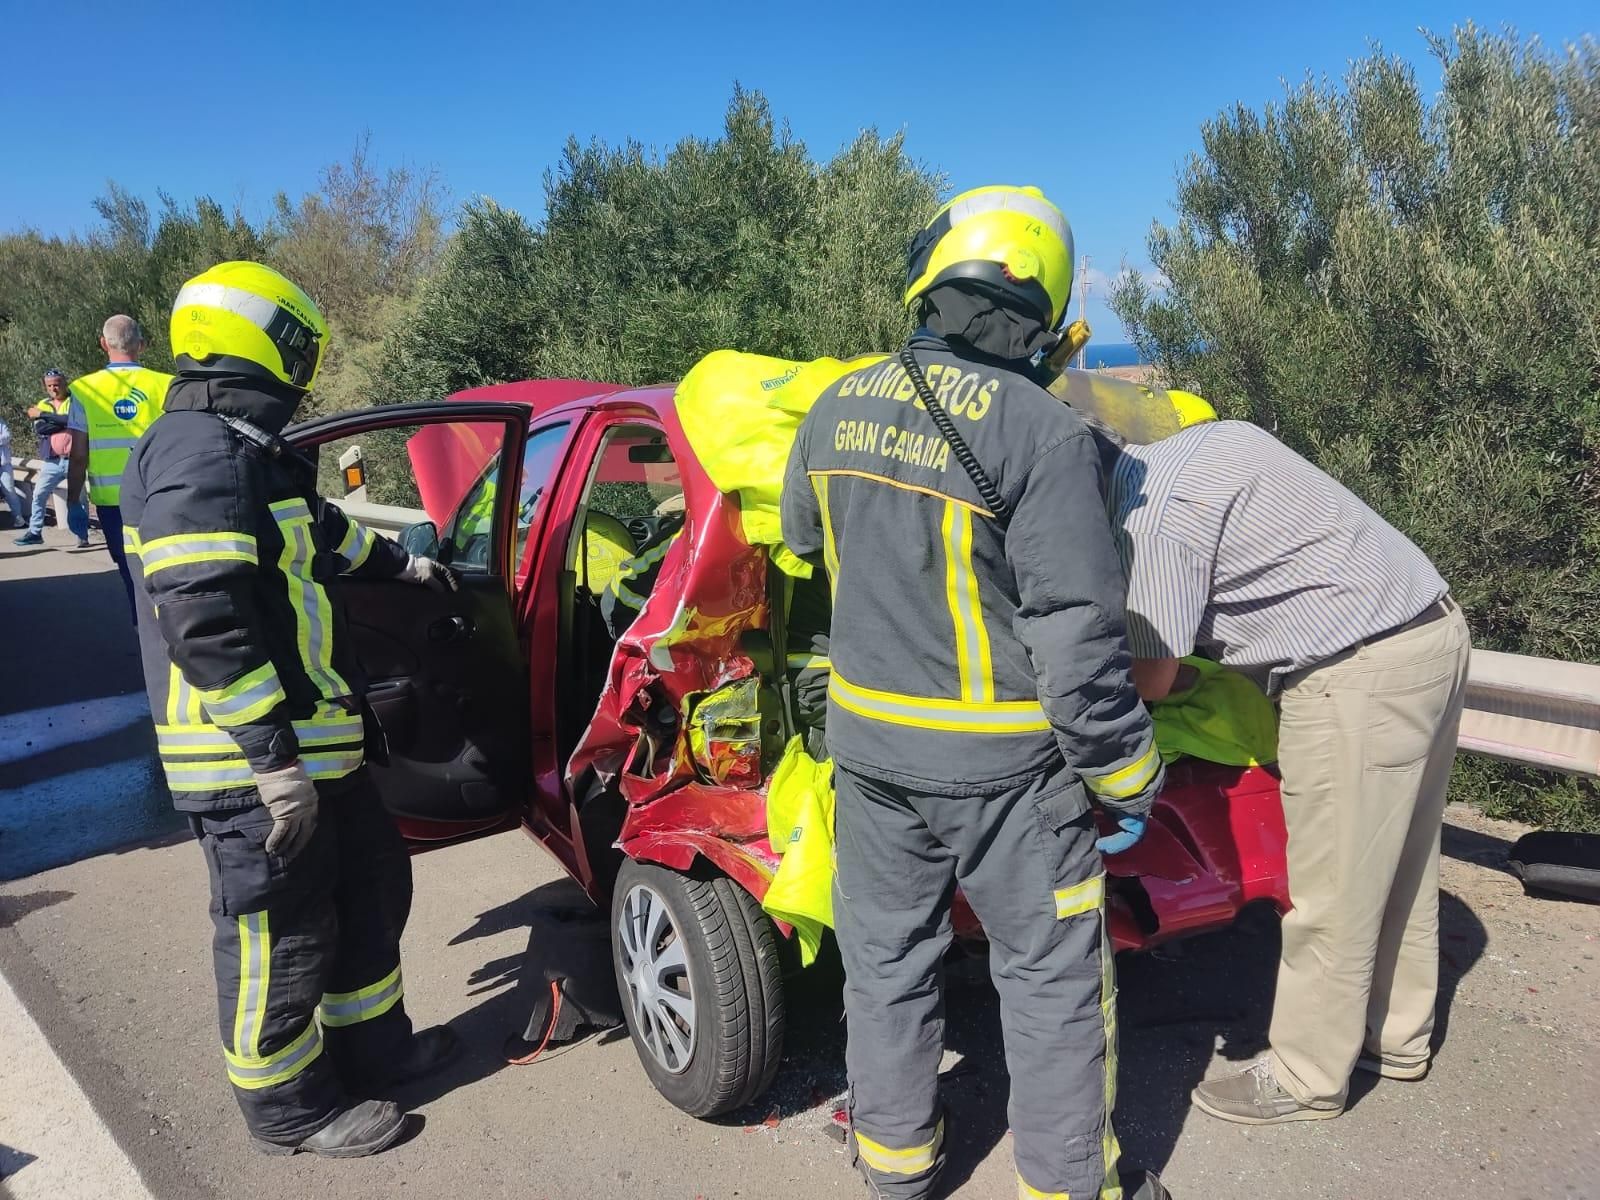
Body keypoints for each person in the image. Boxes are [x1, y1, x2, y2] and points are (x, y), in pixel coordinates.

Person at [782, 186, 1170, 1200]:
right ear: (1039, 307)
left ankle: (897, 1170)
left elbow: (801, 544)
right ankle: (1065, 1187)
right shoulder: (1041, 432)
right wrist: (1129, 775)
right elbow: (1076, 636)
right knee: (1050, 983)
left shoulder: (835, 403)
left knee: (885, 964)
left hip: (868, 757)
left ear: (931, 272)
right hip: (1006, 770)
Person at [121, 260, 464, 1158]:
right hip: (250, 769)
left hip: (317, 756)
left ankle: (375, 1055)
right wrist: (273, 764)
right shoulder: (198, 451)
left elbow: (324, 537)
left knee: (368, 894)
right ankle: (293, 1112)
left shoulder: (248, 449)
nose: (308, 359)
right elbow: (201, 610)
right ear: (268, 341)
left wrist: (413, 567)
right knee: (281, 938)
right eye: (300, 342)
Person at [1105, 401, 1471, 1125]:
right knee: (1399, 862)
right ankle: (1396, 1038)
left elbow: (1151, 679)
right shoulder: (1207, 443)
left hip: (1355, 670)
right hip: (1433, 631)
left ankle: (1309, 1076)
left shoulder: (1148, 523)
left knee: (1330, 885)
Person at [69, 315, 173, 617]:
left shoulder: (85, 390)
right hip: (159, 495)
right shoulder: (164, 384)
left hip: (113, 502)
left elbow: (78, 454)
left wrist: (74, 498)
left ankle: (145, 634)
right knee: (166, 569)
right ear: (140, 344)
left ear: (104, 344)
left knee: (132, 574)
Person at [14, 368, 89, 547]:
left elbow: (72, 419)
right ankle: (35, 532)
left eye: (57, 384)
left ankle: (82, 536)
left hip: (74, 460)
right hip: (52, 461)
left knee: (80, 499)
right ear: (45, 387)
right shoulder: (44, 403)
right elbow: (41, 429)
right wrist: (65, 422)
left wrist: (44, 416)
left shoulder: (75, 401)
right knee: (39, 495)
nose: (54, 388)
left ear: (64, 383)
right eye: (50, 386)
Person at [0, 413, 26, 527]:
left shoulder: (0, 421)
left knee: (9, 490)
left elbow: (6, 436)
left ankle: (18, 517)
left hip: (3, 463)